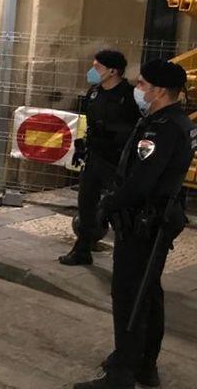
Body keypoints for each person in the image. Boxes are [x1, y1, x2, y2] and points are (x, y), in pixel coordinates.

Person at [75, 60, 195, 389]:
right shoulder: (177, 122)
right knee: (149, 294)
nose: (137, 90)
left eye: (142, 85)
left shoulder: (161, 127)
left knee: (129, 295)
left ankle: (122, 374)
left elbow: (141, 181)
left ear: (158, 90)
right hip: (155, 220)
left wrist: (108, 205)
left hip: (143, 222)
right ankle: (143, 364)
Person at [60, 50, 140, 266]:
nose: (92, 71)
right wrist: (82, 146)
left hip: (116, 161)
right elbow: (90, 123)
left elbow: (136, 130)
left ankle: (126, 257)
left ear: (113, 71)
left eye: (97, 67)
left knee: (118, 208)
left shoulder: (130, 96)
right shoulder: (94, 93)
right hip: (94, 157)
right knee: (86, 204)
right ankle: (82, 249)